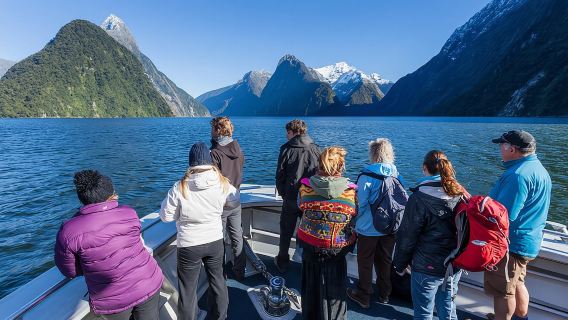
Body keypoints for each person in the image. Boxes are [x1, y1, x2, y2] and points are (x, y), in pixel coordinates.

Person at [54, 170, 163, 320]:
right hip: (148, 281)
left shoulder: (68, 231)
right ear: (111, 195)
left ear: (82, 198)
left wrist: (92, 265)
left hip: (112, 300)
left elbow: (70, 271)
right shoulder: (129, 213)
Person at [160, 142, 239, 320]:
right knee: (218, 281)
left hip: (189, 245)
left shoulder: (179, 187)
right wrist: (219, 210)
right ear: (209, 161)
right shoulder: (222, 182)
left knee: (188, 291)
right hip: (214, 241)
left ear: (191, 163)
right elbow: (234, 200)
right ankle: (221, 316)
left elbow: (166, 216)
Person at [485, 130, 551, 320]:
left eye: (501, 146)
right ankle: (520, 318)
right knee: (517, 282)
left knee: (504, 291)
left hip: (511, 244)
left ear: (511, 148)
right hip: (528, 240)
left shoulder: (518, 176)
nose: (500, 149)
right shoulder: (539, 169)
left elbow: (504, 216)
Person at [393, 150, 466, 320]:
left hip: (426, 265)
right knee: (448, 309)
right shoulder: (460, 193)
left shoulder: (419, 197)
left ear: (424, 168)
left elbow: (407, 236)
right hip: (453, 264)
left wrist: (400, 264)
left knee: (424, 312)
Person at [296, 146, 358, 320]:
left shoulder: (305, 187)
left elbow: (300, 207)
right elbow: (355, 215)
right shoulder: (351, 191)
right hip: (337, 248)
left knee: (310, 287)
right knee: (336, 291)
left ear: (320, 163)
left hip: (310, 244)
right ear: (341, 166)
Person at [347, 138, 402, 308]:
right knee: (384, 260)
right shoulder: (396, 174)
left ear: (373, 153)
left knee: (365, 261)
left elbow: (361, 204)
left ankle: (364, 294)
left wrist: (354, 222)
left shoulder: (367, 175)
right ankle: (385, 294)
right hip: (389, 228)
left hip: (368, 229)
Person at [274, 119, 320, 272]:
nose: (286, 136)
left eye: (287, 132)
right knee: (307, 231)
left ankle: (282, 261)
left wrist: (283, 194)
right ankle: (305, 261)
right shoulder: (316, 149)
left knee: (286, 230)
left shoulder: (286, 149)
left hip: (291, 197)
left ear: (293, 132)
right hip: (310, 198)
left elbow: (280, 175)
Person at [210, 116, 246, 280]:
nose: (210, 131)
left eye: (212, 129)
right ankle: (240, 271)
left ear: (217, 130)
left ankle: (221, 274)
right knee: (237, 236)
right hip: (236, 198)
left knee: (218, 238)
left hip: (221, 203)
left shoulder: (215, 154)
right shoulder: (239, 150)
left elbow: (213, 181)